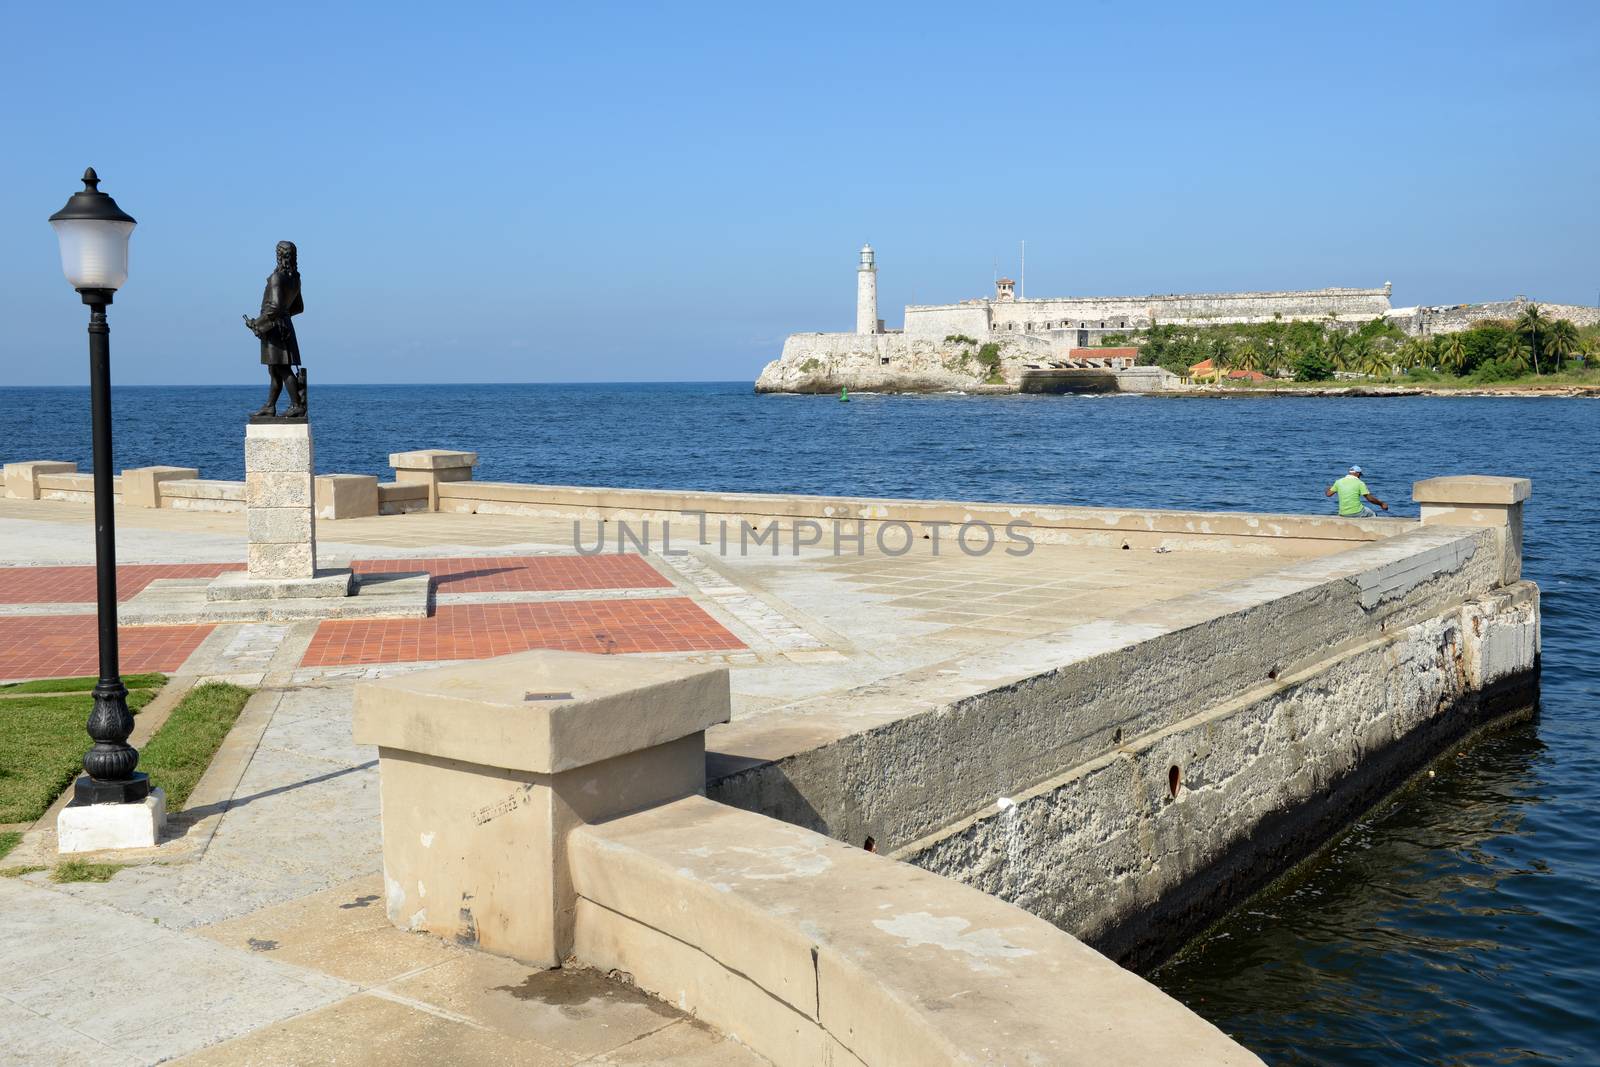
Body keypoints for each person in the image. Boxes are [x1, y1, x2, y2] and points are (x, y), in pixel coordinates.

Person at [244, 240, 307, 418]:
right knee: (274, 370)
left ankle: (297, 405)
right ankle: (270, 406)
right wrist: (284, 318)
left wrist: (258, 323)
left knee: (283, 369)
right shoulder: (295, 278)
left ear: (279, 255)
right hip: (283, 326)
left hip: (275, 330)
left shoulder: (277, 278)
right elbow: (298, 307)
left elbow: (276, 307)